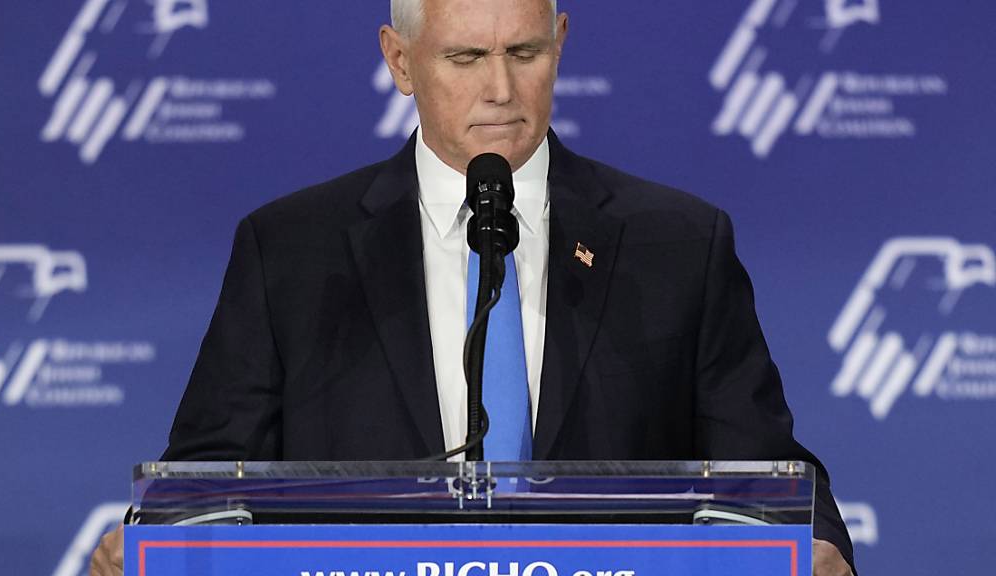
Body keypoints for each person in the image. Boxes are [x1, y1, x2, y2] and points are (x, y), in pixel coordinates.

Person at [91, 1, 855, 574]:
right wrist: (155, 541)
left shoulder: (677, 243)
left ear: (562, 41)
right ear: (399, 61)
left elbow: (764, 471)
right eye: (464, 58)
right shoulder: (291, 249)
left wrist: (815, 546)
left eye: (525, 51)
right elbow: (207, 476)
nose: (500, 88)